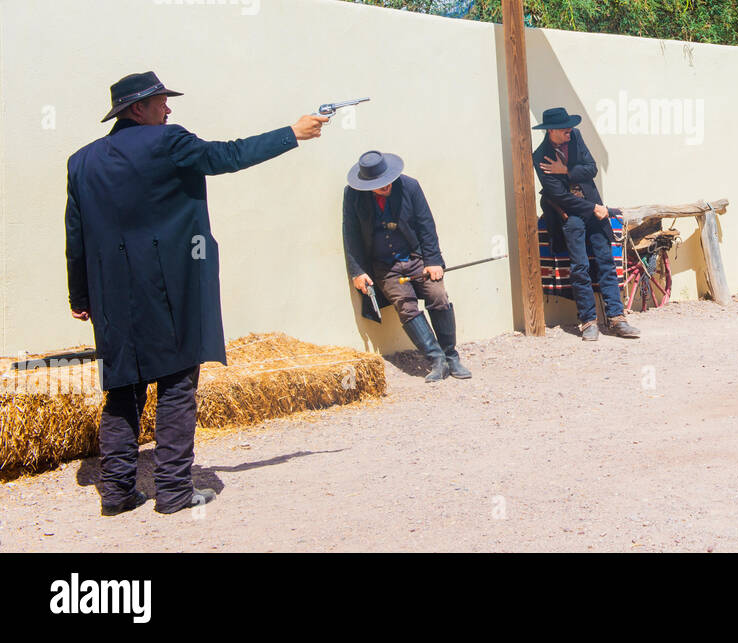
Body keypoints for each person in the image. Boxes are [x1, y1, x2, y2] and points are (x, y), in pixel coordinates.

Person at [65, 71, 327, 516]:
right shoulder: (168, 142)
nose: (168, 110)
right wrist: (292, 133)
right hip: (169, 288)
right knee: (176, 384)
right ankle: (172, 491)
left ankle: (116, 492)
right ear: (138, 109)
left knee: (122, 390)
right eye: (161, 102)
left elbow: (76, 234)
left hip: (111, 296)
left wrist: (80, 297)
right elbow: (228, 156)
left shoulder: (81, 161)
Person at [342, 151, 470, 382]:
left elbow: (426, 225)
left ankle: (452, 357)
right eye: (380, 185)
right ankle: (436, 360)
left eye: (388, 181)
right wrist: (357, 271)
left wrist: (433, 261)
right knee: (406, 307)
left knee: (438, 295)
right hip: (384, 267)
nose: (387, 186)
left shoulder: (410, 186)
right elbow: (350, 234)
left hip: (416, 258)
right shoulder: (353, 196)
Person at [532, 107, 638, 341]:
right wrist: (593, 209)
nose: (569, 130)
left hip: (591, 206)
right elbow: (559, 196)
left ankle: (617, 318)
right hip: (568, 214)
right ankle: (588, 320)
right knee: (580, 267)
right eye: (564, 128)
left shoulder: (575, 137)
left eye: (569, 126)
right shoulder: (539, 157)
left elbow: (591, 169)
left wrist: (566, 171)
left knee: (605, 260)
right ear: (551, 131)